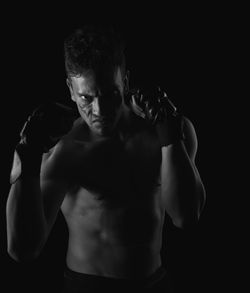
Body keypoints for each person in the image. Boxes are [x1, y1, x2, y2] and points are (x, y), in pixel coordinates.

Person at [6, 25, 206, 292]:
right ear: (70, 89)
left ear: (124, 82)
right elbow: (23, 250)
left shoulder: (167, 132)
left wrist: (169, 137)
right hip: (87, 285)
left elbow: (185, 217)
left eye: (110, 94)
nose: (99, 110)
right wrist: (27, 159)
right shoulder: (64, 151)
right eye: (86, 98)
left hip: (154, 282)